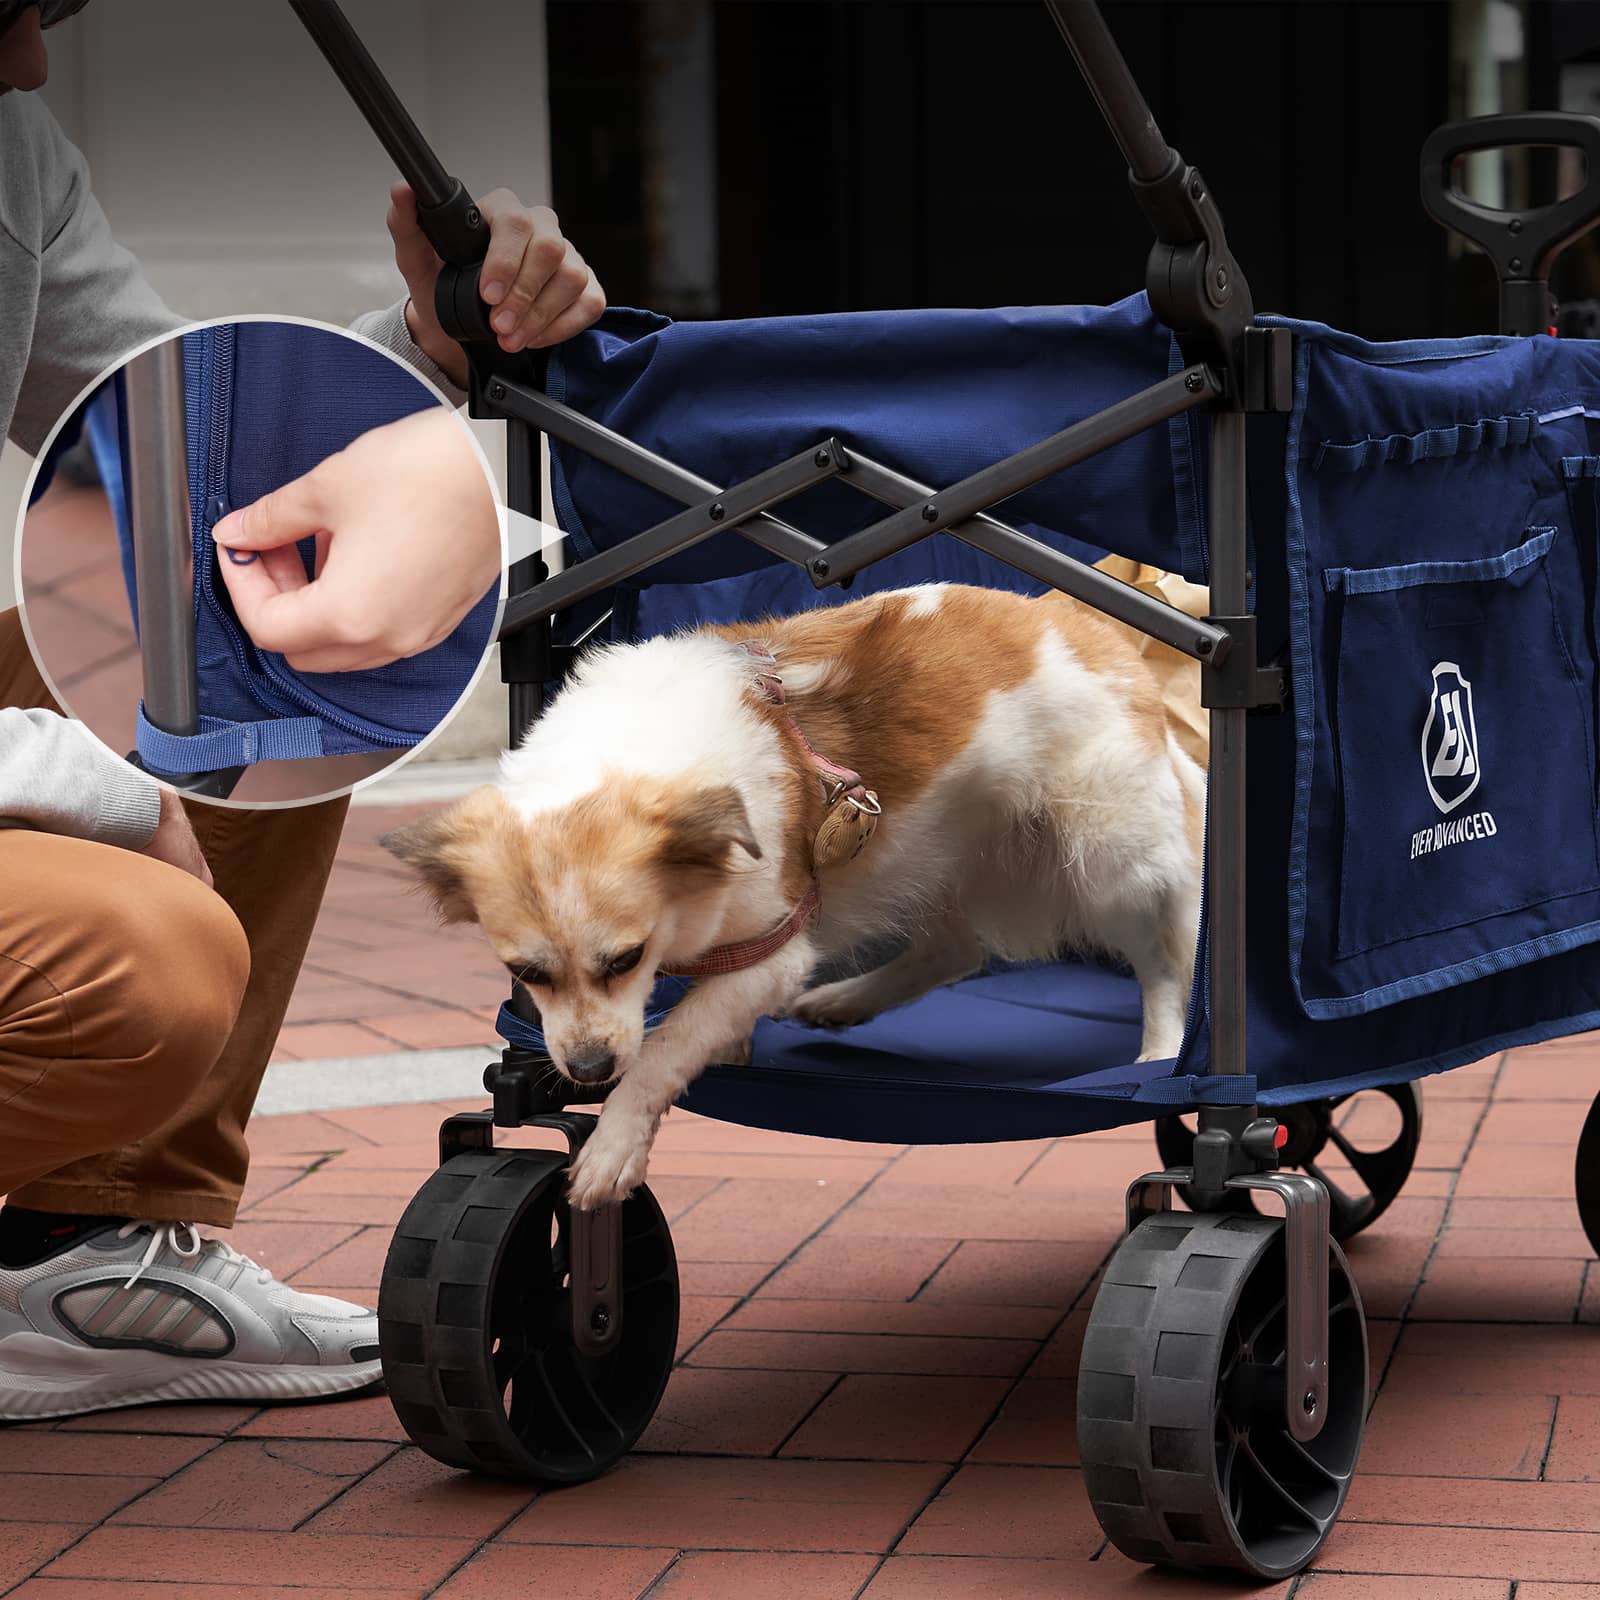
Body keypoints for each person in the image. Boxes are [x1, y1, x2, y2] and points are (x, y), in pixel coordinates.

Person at [0, 0, 604, 1418]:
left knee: (249, 657)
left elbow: (188, 448)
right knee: (131, 965)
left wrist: (431, 337)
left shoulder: (6, 141)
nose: (31, 63)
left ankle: (79, 1263)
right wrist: (101, 784)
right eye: (4, 12)